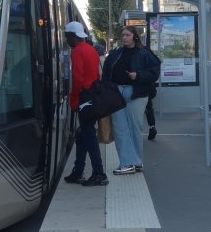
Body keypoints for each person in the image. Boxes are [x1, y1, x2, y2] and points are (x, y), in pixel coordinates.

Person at [102, 26, 160, 174]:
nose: (124, 38)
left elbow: (154, 73)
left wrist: (138, 76)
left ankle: (137, 162)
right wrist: (107, 90)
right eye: (122, 35)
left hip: (137, 93)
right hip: (117, 93)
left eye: (127, 35)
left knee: (135, 127)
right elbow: (106, 72)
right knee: (120, 129)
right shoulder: (115, 54)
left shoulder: (144, 53)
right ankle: (127, 163)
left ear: (135, 36)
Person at [63, 21, 107, 186]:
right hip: (93, 95)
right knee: (82, 135)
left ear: (74, 36)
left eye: (67, 37)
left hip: (84, 97)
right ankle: (78, 170)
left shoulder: (77, 51)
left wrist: (73, 99)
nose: (67, 40)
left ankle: (99, 173)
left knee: (88, 135)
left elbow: (78, 79)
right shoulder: (91, 50)